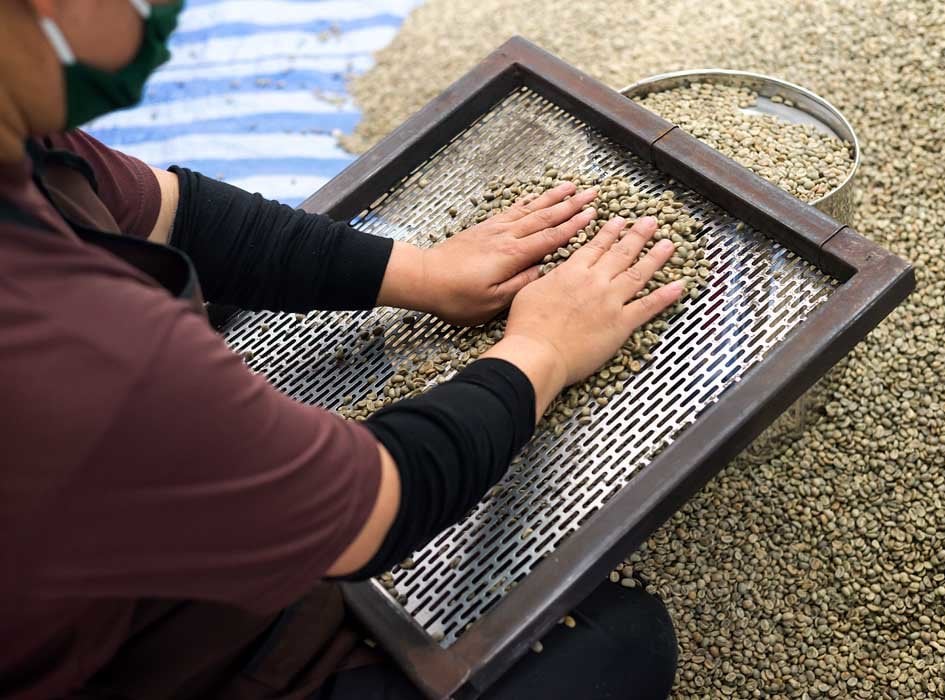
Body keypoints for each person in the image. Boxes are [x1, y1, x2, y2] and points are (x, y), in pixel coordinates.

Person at [0, 1, 683, 698]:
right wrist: (543, 350)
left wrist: (421, 273)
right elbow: (380, 506)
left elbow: (182, 214)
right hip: (165, 660)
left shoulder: (20, 138)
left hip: (111, 553)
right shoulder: (74, 344)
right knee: (620, 642)